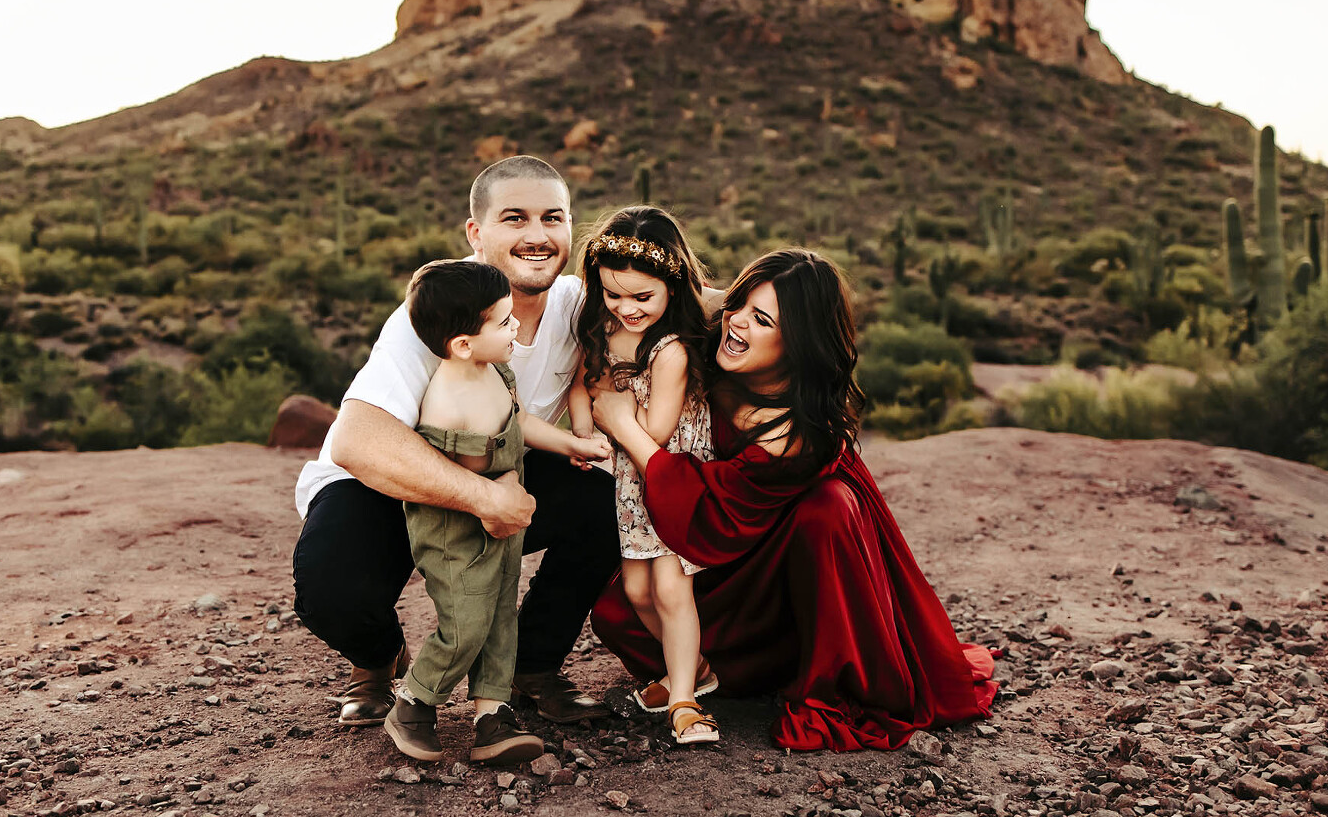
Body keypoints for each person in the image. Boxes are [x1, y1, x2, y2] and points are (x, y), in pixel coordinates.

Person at [589, 249, 998, 751]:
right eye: (739, 305)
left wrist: (625, 428)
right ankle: (712, 666)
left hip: (794, 562)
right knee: (619, 613)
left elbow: (713, 508)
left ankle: (820, 664)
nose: (736, 324)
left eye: (762, 320)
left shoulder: (798, 432)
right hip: (728, 560)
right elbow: (659, 289)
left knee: (827, 507)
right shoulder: (722, 329)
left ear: (797, 342)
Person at [293, 156, 620, 728]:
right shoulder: (438, 308)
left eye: (554, 218)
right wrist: (482, 498)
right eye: (514, 219)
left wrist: (757, 304)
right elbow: (355, 439)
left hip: (503, 468)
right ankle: (376, 656)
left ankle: (531, 667)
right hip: (391, 480)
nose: (538, 237)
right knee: (331, 586)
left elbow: (683, 299)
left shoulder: (578, 302)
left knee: (606, 501)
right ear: (476, 232)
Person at [383, 260, 609, 764]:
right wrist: (499, 486)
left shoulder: (496, 370)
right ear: (463, 343)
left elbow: (519, 420)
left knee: (501, 613)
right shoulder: (446, 400)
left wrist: (572, 443)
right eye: (505, 323)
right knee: (466, 620)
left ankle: (492, 712)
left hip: (504, 523)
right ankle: (414, 701)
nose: (516, 330)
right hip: (458, 530)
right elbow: (454, 480)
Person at [567, 207, 719, 746]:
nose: (626, 308)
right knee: (636, 588)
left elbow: (654, 429)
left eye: (641, 297)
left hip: (668, 474)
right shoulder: (603, 330)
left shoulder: (672, 349)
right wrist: (586, 433)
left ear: (671, 289)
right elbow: (582, 385)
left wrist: (615, 408)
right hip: (630, 480)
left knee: (672, 589)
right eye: (613, 294)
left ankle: (684, 701)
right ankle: (695, 668)